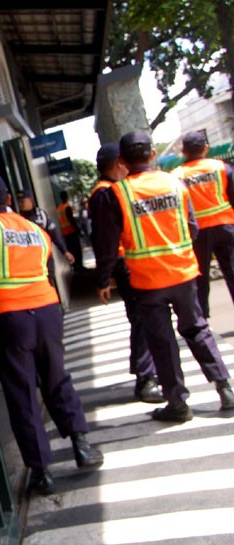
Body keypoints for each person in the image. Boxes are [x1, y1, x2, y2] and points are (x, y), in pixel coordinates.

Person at [0, 173, 103, 496]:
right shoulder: (35, 229)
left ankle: (42, 472)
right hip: (46, 312)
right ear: (8, 198)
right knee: (56, 378)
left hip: (9, 317)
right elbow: (46, 268)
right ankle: (82, 446)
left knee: (22, 391)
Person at [93, 131, 234, 421]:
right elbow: (192, 226)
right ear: (153, 154)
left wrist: (104, 278)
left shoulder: (116, 194)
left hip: (148, 281)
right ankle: (225, 387)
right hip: (183, 273)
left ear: (122, 160)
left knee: (162, 341)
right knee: (197, 330)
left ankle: (178, 404)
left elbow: (107, 244)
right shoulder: (174, 182)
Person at [89, 143, 162, 403]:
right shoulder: (104, 194)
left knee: (143, 318)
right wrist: (104, 277)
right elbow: (103, 241)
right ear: (119, 163)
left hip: (127, 262)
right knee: (141, 319)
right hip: (123, 263)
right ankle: (145, 378)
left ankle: (147, 371)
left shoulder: (110, 191)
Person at [170, 130, 234, 318]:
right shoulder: (222, 167)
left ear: (184, 151)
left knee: (200, 276)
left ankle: (202, 317)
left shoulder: (176, 175)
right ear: (205, 148)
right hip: (225, 227)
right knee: (232, 270)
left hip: (196, 233)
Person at [17, 190, 74, 287]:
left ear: (31, 200)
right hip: (30, 261)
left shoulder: (41, 216)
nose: (20, 204)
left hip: (46, 259)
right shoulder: (17, 219)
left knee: (49, 283)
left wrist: (65, 251)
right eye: (19, 201)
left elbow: (54, 234)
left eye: (23, 201)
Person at [57, 190, 84, 271]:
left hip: (66, 233)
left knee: (72, 250)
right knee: (77, 250)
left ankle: (75, 267)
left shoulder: (59, 208)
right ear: (67, 197)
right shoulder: (67, 207)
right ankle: (79, 266)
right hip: (72, 232)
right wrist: (79, 231)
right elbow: (72, 220)